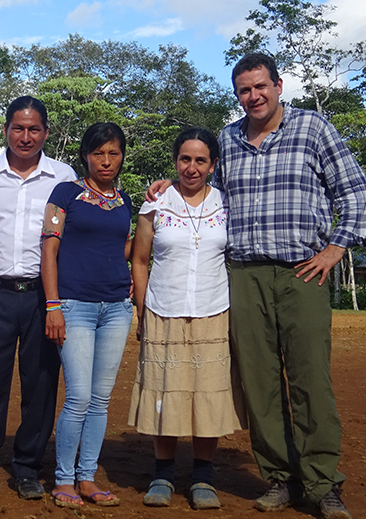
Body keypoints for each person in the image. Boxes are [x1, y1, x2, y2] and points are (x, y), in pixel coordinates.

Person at [145, 53, 366, 519]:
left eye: (261, 86)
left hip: (301, 272)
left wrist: (335, 249)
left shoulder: (313, 128)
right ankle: (280, 478)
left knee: (310, 379)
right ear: (237, 94)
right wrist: (168, 185)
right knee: (259, 383)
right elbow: (201, 184)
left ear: (279, 84)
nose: (254, 96)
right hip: (242, 277)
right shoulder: (227, 139)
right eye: (244, 90)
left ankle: (323, 483)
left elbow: (355, 190)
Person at [0, 96, 76, 500]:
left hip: (42, 298)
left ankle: (28, 466)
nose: (25, 137)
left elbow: (83, 226)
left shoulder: (63, 178)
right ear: (6, 129)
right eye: (17, 128)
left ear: (46, 132)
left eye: (33, 129)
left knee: (41, 385)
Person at [128, 128, 246, 510]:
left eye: (200, 160)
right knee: (166, 391)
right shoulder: (155, 204)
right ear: (175, 161)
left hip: (214, 311)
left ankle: (203, 475)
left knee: (207, 393)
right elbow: (140, 260)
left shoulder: (228, 204)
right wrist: (143, 310)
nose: (191, 168)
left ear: (213, 165)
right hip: (164, 310)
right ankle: (162, 472)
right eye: (184, 159)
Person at [41, 122, 133, 509]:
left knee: (100, 399)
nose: (106, 161)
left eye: (113, 153)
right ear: (85, 156)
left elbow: (124, 246)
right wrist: (53, 304)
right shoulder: (65, 193)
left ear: (122, 156)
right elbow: (48, 250)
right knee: (78, 397)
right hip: (74, 306)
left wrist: (122, 276)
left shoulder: (126, 200)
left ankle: (87, 477)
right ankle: (63, 479)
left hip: (116, 309)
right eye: (98, 153)